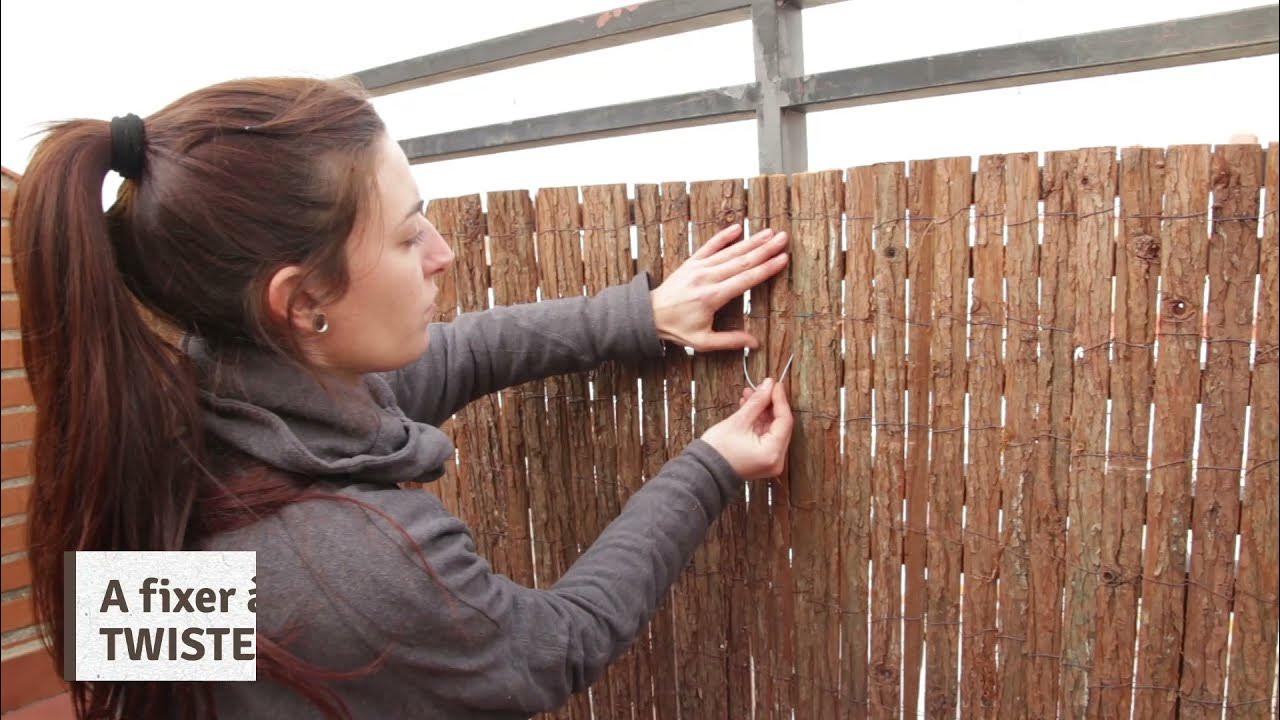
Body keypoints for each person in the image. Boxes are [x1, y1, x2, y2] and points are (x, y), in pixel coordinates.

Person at [10, 75, 794, 719]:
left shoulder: (183, 421)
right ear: (301, 300)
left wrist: (638, 316)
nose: (442, 254)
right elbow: (556, 646)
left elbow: (455, 357)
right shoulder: (345, 569)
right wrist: (711, 464)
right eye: (406, 233)